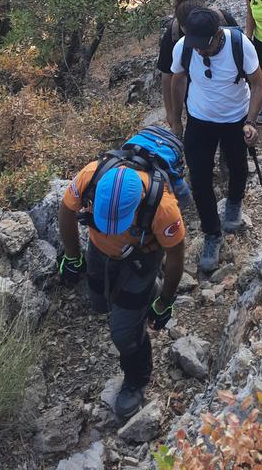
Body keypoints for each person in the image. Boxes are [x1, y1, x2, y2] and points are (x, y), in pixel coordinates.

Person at [58, 151, 185, 420]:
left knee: (123, 334)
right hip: (98, 250)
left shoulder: (163, 208)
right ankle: (148, 291)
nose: (112, 229)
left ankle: (136, 378)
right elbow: (66, 209)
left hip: (141, 260)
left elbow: (175, 255)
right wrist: (72, 256)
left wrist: (165, 302)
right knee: (99, 302)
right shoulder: (90, 176)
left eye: (119, 223)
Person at [170, 7, 262, 272]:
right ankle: (212, 233)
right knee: (200, 180)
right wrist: (176, 120)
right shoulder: (184, 47)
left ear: (218, 34)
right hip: (199, 119)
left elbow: (258, 83)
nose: (200, 51)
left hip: (235, 118)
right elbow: (178, 80)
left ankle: (234, 202)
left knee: (237, 167)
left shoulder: (239, 45)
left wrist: (251, 122)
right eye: (196, 45)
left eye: (205, 45)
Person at [158, 0, 238, 129]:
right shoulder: (173, 36)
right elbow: (167, 73)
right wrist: (172, 114)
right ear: (181, 25)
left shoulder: (222, 21)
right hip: (195, 96)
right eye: (188, 30)